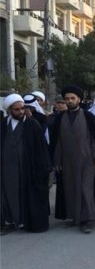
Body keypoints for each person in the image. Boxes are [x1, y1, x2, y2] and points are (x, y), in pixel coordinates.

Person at [50, 86, 95, 234]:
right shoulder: (60, 118)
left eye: (72, 98)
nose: (69, 101)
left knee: (85, 189)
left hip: (87, 161)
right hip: (67, 162)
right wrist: (57, 161)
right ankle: (74, 217)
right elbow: (57, 142)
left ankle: (86, 220)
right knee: (70, 190)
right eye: (67, 99)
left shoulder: (88, 117)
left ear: (79, 100)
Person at [1, 94, 51, 235]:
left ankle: (26, 220)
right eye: (17, 109)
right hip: (6, 169)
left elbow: (41, 149)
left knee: (27, 194)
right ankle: (9, 221)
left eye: (22, 108)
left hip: (27, 168)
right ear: (10, 110)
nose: (21, 112)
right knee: (7, 195)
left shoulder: (32, 124)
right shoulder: (3, 124)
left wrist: (44, 168)